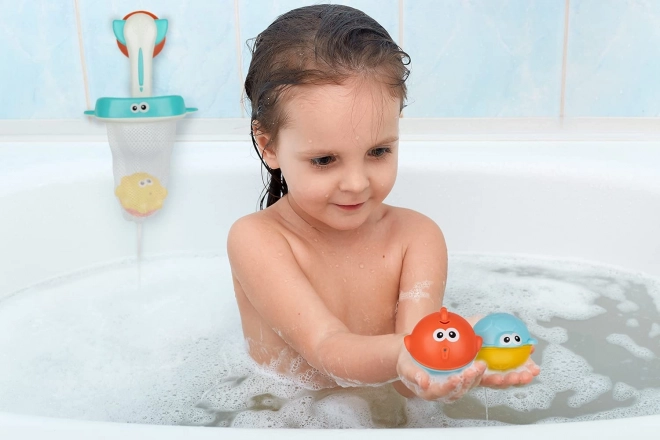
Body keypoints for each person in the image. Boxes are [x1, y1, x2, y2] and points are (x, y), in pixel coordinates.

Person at [227, 3, 540, 401]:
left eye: (378, 151)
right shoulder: (258, 240)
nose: (356, 183)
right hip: (284, 414)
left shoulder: (416, 237)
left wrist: (460, 350)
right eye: (324, 160)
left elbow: (409, 385)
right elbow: (327, 349)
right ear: (268, 145)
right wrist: (417, 350)